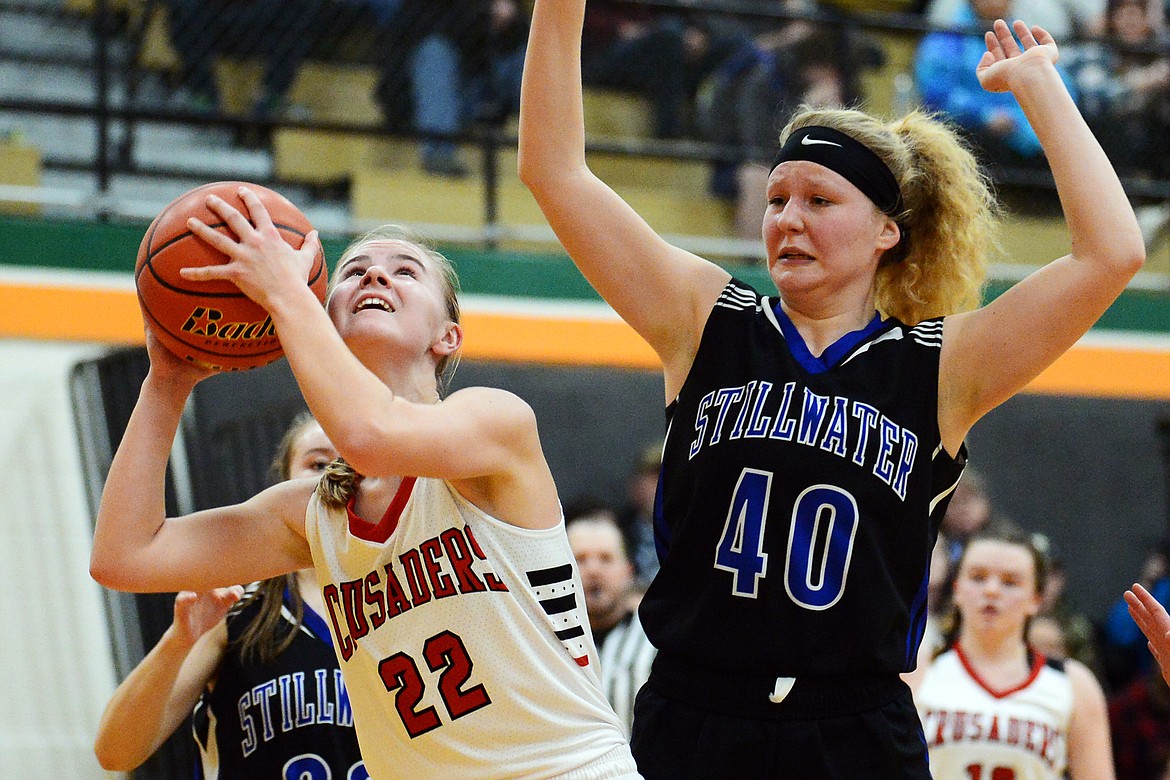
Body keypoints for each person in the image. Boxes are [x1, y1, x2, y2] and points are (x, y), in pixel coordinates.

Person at [518, 0, 1144, 773]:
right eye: (778, 200)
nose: (787, 220)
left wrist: (1037, 85)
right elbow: (554, 171)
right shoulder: (705, 319)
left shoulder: (941, 367)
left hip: (855, 729)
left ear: (888, 231)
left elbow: (1111, 253)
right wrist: (559, 9)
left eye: (820, 201)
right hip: (696, 713)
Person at [89, 212, 639, 778]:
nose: (376, 277)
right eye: (353, 271)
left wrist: (283, 293)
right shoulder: (316, 514)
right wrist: (166, 383)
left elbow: (371, 437)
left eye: (405, 271)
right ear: (325, 320)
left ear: (447, 335)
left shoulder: (495, 425)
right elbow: (126, 555)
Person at [93, 414, 367, 778]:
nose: (335, 475)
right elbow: (115, 752)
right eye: (317, 463)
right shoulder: (235, 609)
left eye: (354, 462)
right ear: (283, 486)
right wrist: (178, 641)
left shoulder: (413, 606)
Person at [911, 527, 1115, 779]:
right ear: (957, 589)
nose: (992, 591)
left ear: (1036, 599)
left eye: (1010, 582)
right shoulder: (917, 669)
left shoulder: (1074, 683)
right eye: (977, 577)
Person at [916, 0, 1079, 170]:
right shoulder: (946, 40)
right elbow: (937, 95)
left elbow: (1059, 92)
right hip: (966, 136)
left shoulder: (1024, 40)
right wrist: (985, 116)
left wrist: (1021, 127)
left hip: (1022, 142)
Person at [568, 509, 657, 735]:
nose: (593, 570)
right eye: (580, 559)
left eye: (606, 558)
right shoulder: (541, 643)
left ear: (629, 570)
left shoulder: (658, 641)